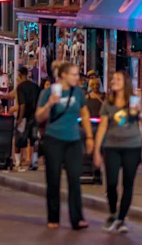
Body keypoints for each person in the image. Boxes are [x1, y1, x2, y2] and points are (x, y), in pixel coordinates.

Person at [35, 61, 93, 230]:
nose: (77, 77)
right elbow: (39, 117)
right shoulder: (47, 92)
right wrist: (50, 104)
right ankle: (53, 217)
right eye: (74, 74)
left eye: (77, 74)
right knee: (53, 179)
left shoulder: (78, 92)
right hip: (54, 139)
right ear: (63, 76)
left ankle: (77, 218)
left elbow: (84, 113)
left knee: (75, 178)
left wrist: (89, 137)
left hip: (73, 140)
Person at [93, 70, 140, 233]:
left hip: (132, 147)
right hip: (112, 147)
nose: (114, 81)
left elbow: (134, 123)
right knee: (111, 183)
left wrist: (137, 111)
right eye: (113, 79)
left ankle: (121, 218)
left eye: (118, 79)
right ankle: (113, 212)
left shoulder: (133, 101)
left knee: (128, 183)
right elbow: (102, 127)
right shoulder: (108, 103)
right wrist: (97, 151)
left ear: (125, 83)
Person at [13, 66, 41, 171]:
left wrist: (19, 118)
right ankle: (34, 162)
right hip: (35, 116)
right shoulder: (35, 86)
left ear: (20, 74)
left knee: (19, 140)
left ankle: (18, 162)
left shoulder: (20, 87)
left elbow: (22, 104)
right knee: (34, 140)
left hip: (24, 117)